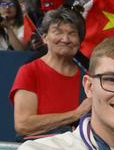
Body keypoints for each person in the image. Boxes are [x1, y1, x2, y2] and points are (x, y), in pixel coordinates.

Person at [9, 8, 89, 138]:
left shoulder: (87, 77)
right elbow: (23, 125)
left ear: (79, 42)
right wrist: (76, 114)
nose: (66, 39)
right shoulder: (30, 71)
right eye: (58, 32)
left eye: (72, 33)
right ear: (45, 38)